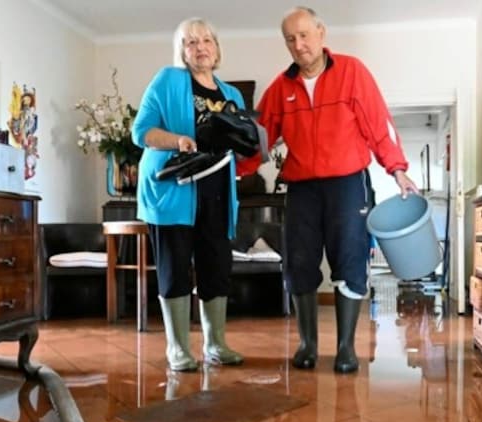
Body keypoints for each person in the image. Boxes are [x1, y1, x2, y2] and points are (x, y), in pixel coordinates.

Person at [247, 7, 419, 373]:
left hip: (347, 184)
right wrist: (232, 171)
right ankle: (308, 344)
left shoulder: (352, 72)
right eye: (291, 39)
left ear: (321, 33)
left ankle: (345, 347)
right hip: (302, 189)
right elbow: (256, 140)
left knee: (350, 258)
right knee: (300, 262)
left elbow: (379, 125)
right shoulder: (280, 88)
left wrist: (398, 169)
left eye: (305, 35)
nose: (299, 44)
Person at [131, 17, 251, 372]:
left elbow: (238, 142)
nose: (200, 48)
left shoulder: (232, 94)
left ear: (217, 48)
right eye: (191, 42)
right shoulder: (168, 81)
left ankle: (216, 344)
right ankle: (178, 348)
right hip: (173, 191)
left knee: (216, 264)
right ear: (182, 51)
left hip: (216, 191)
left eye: (206, 41)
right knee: (175, 267)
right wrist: (177, 141)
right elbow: (141, 132)